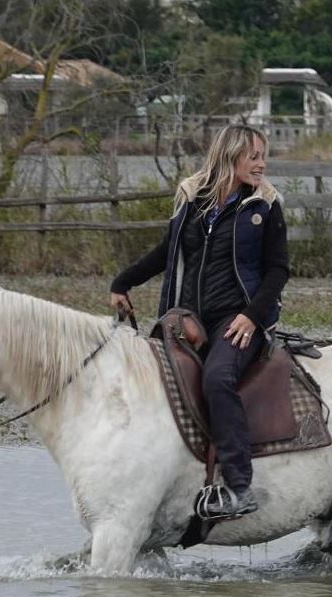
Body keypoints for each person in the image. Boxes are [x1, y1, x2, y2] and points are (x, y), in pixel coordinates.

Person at [109, 124, 289, 520]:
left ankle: (239, 487)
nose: (261, 163)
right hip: (187, 319)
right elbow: (167, 252)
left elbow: (278, 270)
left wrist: (251, 317)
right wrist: (124, 281)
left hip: (237, 319)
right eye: (253, 155)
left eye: (263, 155)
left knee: (217, 379)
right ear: (230, 155)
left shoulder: (265, 204)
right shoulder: (193, 198)